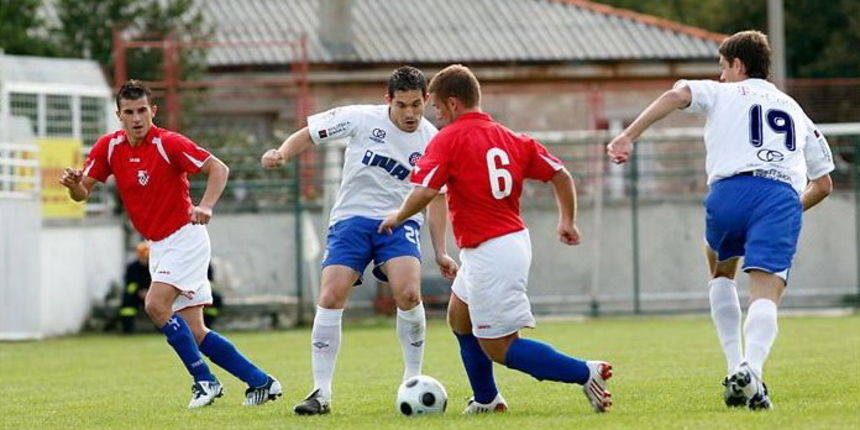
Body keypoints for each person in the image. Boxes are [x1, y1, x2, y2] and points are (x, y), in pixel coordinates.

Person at [606, 30, 834, 410]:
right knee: (766, 293)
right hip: (779, 196)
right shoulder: (795, 109)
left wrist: (629, 135)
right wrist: (788, 210)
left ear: (738, 65)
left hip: (728, 192)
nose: (720, 75)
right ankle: (754, 373)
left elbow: (676, 95)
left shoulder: (721, 92)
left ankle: (734, 369)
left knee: (720, 271)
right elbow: (823, 184)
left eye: (722, 67)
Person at [379, 64, 614, 414]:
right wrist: (568, 220)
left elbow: (426, 190)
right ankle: (487, 399)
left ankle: (584, 372)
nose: (436, 117)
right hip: (496, 246)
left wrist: (397, 217)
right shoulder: (509, 136)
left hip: (494, 251)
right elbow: (560, 175)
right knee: (459, 317)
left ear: (454, 103)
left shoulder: (449, 138)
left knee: (500, 347)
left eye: (438, 109)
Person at [60, 80, 282, 409]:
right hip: (160, 244)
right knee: (194, 332)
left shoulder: (168, 143)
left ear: (153, 111)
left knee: (154, 305)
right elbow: (82, 193)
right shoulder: (109, 147)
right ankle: (262, 382)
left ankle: (204, 381)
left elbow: (218, 168)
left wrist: (205, 206)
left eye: (142, 111)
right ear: (118, 114)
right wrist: (74, 186)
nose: (137, 118)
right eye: (129, 112)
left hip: (185, 237)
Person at [261, 66, 457, 415]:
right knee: (331, 294)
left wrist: (441, 251)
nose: (411, 114)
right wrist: (282, 152)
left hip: (399, 222)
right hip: (351, 219)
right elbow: (309, 133)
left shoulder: (432, 140)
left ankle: (411, 380)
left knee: (409, 292)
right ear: (388, 101)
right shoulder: (360, 118)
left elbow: (437, 197)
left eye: (417, 104)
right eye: (402, 105)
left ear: (427, 100)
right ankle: (320, 393)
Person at [118, 242, 152, 334]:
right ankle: (127, 330)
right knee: (127, 304)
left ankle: (162, 329)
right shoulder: (132, 267)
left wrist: (148, 291)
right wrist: (139, 291)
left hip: (151, 293)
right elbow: (130, 283)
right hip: (136, 294)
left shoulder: (153, 267)